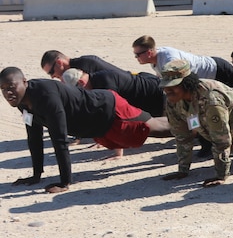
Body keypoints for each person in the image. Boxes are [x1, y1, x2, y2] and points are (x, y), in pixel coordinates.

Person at [1, 66, 171, 193]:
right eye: (2, 89)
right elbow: (34, 136)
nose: (8, 93)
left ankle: (193, 125)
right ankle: (188, 126)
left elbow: (59, 139)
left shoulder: (46, 96)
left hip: (109, 109)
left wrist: (65, 182)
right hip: (97, 125)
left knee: (155, 128)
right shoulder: (22, 102)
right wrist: (36, 175)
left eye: (11, 86)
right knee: (153, 130)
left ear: (24, 82)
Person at [62, 68, 166, 117]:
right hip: (157, 92)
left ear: (81, 82)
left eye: (78, 90)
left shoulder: (104, 85)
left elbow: (114, 115)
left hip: (161, 100)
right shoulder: (98, 77)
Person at [132, 35, 233, 84]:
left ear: (149, 53)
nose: (136, 58)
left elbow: (179, 83)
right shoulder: (154, 60)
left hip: (217, 70)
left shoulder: (169, 59)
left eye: (138, 55)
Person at [40, 50, 128, 80]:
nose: (52, 76)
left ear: (59, 63)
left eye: (51, 72)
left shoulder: (86, 65)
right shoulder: (80, 66)